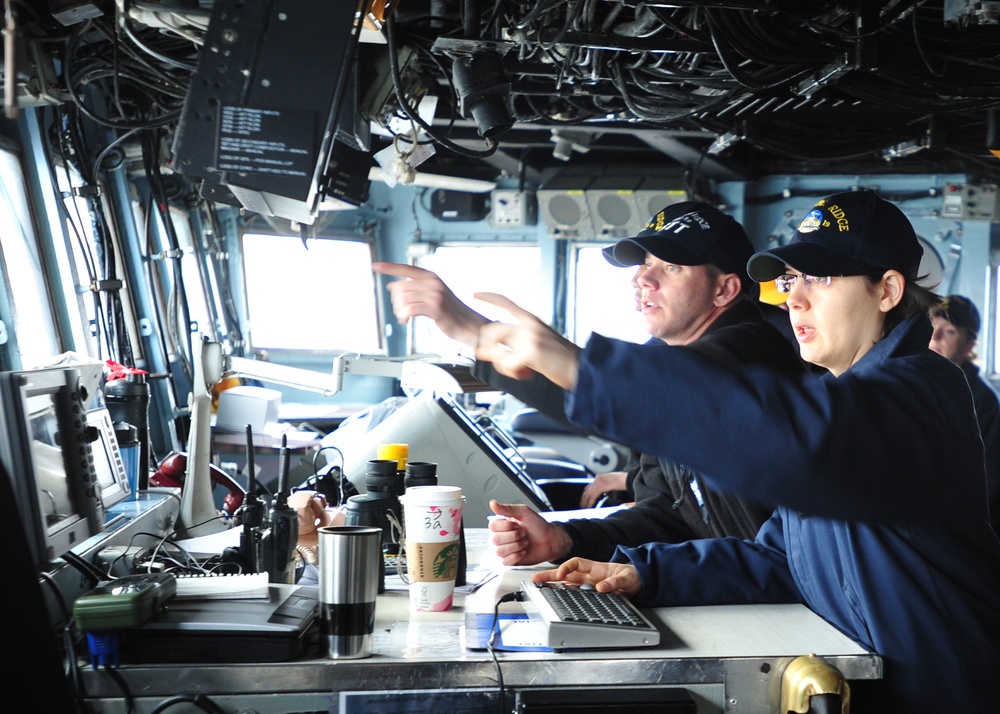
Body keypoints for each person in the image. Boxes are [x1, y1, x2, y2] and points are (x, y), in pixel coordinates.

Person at [472, 189, 1000, 712]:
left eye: (819, 278)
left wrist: (580, 368)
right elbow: (782, 559)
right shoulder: (838, 396)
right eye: (791, 280)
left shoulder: (923, 392)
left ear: (886, 291)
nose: (794, 297)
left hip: (939, 692)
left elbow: (797, 443)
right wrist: (647, 573)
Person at [374, 201, 805, 566]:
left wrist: (477, 334)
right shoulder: (669, 372)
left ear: (725, 290)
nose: (643, 278)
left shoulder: (752, 351)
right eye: (646, 265)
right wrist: (566, 541)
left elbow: (630, 394)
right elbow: (669, 518)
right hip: (738, 584)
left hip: (794, 602)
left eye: (670, 267)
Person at [929, 295, 1000, 532]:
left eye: (948, 331)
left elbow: (988, 483)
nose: (935, 337)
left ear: (969, 346)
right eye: (932, 327)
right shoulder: (909, 384)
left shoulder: (983, 402)